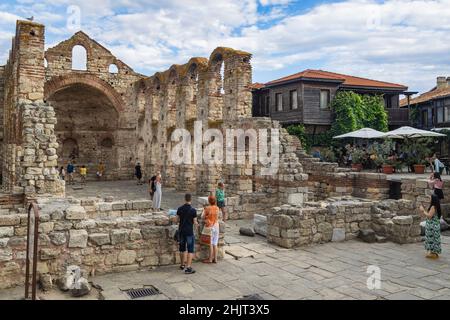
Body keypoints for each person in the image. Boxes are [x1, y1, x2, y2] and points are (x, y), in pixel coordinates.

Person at [174, 194, 198, 274]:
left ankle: (182, 265)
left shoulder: (180, 209)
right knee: (190, 250)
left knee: (182, 249)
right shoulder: (193, 210)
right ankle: (188, 267)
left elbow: (176, 220)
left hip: (181, 231)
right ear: (191, 199)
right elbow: (195, 222)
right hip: (189, 232)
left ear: (185, 199)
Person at [419, 194, 442, 259]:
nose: (429, 200)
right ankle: (434, 252)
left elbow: (429, 216)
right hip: (435, 225)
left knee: (432, 239)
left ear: (433, 200)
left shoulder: (433, 207)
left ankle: (433, 253)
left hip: (432, 226)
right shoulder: (436, 206)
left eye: (430, 198)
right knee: (435, 239)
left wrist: (423, 210)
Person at [202, 195, 220, 264]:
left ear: (209, 201)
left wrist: (205, 213)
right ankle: (215, 259)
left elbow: (202, 217)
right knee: (215, 243)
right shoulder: (217, 208)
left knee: (211, 243)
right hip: (216, 225)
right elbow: (217, 216)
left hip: (210, 226)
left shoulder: (207, 208)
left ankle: (210, 259)